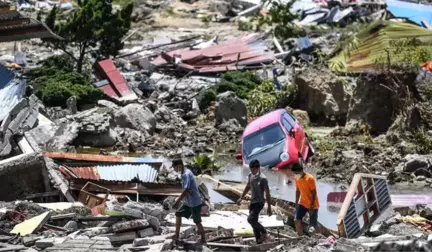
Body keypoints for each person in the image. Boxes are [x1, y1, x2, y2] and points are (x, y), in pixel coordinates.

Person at [237, 159, 272, 244]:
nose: (252, 171)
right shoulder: (250, 175)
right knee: (254, 222)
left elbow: (267, 193)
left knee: (250, 219)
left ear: (258, 168)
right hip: (253, 201)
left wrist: (269, 208)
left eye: (254, 169)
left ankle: (264, 232)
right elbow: (248, 186)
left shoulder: (263, 179)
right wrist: (241, 197)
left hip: (259, 202)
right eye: (251, 169)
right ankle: (258, 239)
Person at [172, 159, 206, 244]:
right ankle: (176, 235)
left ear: (179, 165)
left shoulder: (187, 174)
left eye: (175, 167)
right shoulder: (184, 172)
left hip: (194, 202)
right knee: (178, 213)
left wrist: (177, 201)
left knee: (197, 221)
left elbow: (186, 190)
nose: (174, 170)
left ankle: (203, 239)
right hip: (188, 202)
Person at [291, 160, 319, 236]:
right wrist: (296, 203)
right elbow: (298, 191)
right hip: (303, 203)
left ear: (301, 170)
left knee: (312, 226)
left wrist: (312, 207)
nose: (295, 175)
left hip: (313, 205)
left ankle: (314, 239)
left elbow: (314, 193)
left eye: (296, 173)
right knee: (296, 220)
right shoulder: (297, 178)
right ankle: (300, 237)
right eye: (294, 173)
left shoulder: (310, 178)